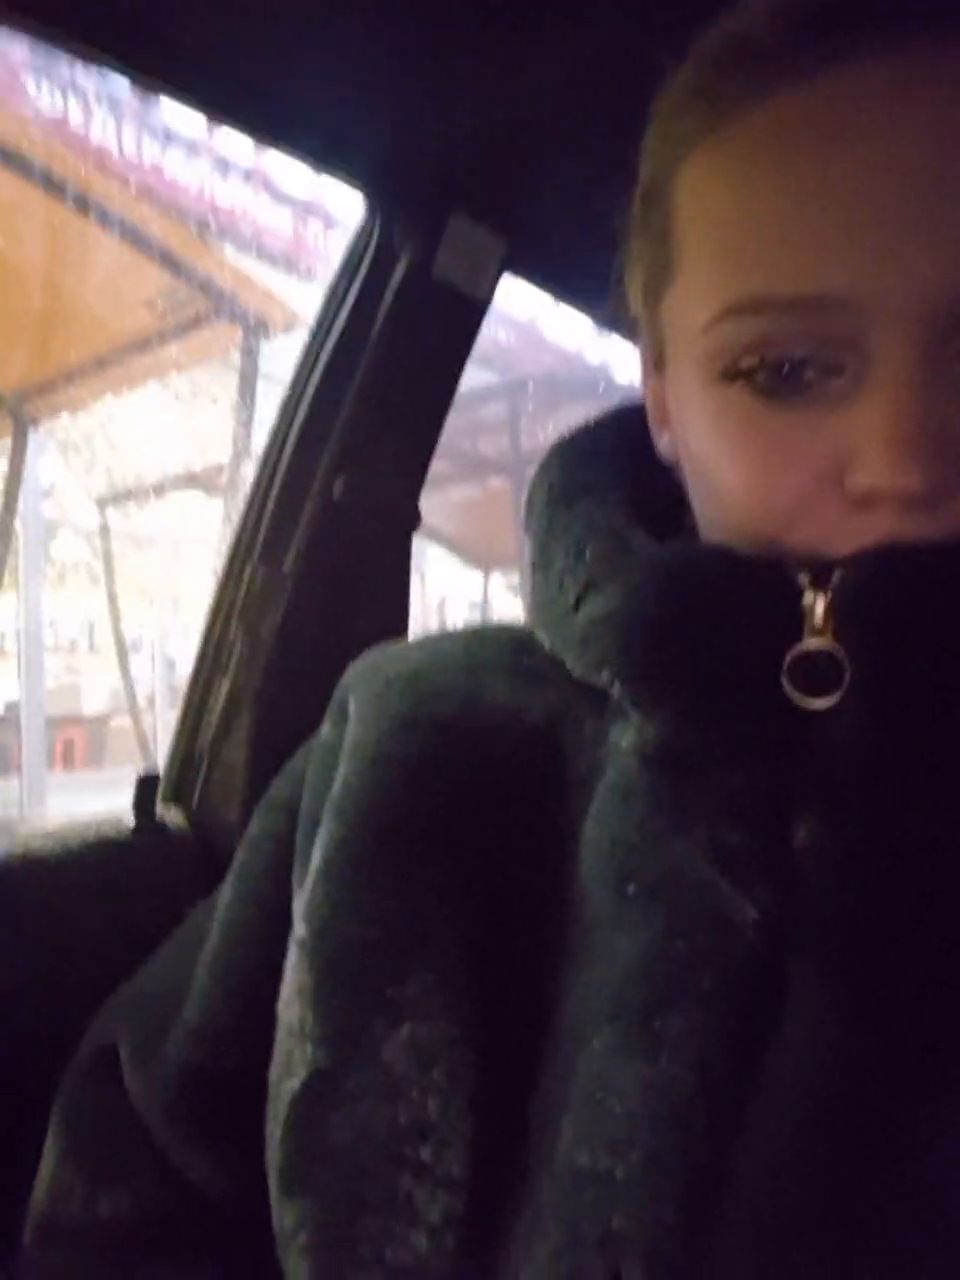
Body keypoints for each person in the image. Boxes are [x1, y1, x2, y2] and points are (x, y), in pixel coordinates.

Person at [19, 0, 960, 1274]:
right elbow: (131, 1198)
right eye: (786, 370)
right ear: (664, 397)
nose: (905, 460)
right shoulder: (416, 752)